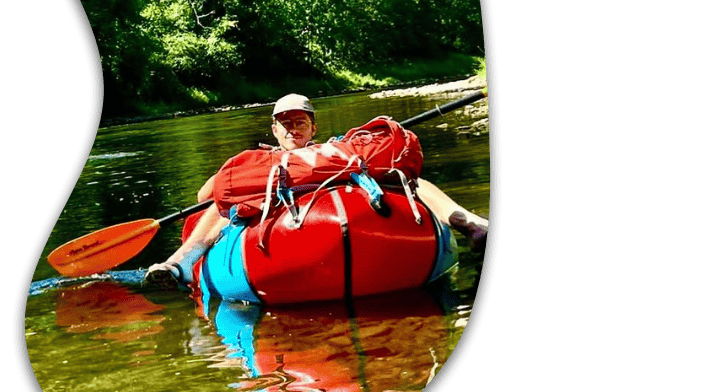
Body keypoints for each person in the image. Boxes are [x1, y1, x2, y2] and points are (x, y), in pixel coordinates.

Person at [145, 93, 488, 285]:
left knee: (408, 180)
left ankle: (471, 224)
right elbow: (207, 194)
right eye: (285, 123)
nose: (293, 129)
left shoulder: (338, 149)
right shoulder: (257, 160)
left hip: (344, 204)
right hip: (278, 214)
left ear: (313, 127)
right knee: (219, 207)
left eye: (300, 122)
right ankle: (178, 263)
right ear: (275, 130)